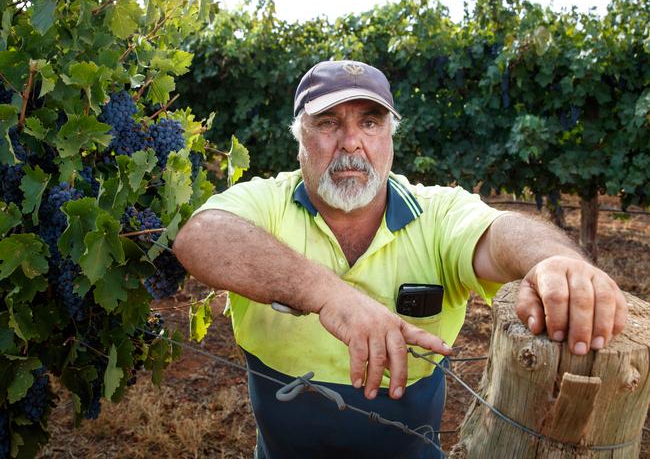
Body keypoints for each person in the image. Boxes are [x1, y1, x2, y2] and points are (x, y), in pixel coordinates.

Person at [173, 60, 627, 458]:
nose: (351, 143)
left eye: (370, 123)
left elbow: (501, 232)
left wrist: (554, 260)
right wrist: (332, 298)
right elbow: (202, 237)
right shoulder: (267, 202)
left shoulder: (437, 212)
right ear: (299, 136)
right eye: (328, 123)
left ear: (390, 136)